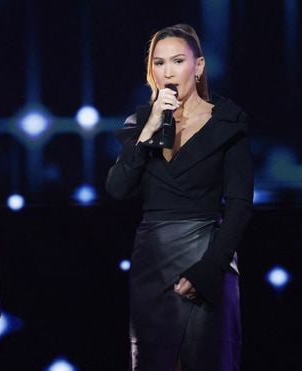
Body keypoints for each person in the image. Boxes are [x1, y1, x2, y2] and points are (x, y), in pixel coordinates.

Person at [106, 24, 253, 371]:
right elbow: (117, 187)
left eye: (177, 60)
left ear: (198, 66)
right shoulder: (142, 122)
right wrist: (152, 125)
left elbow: (240, 205)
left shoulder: (227, 123)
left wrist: (210, 269)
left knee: (208, 359)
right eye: (159, 63)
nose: (167, 72)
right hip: (152, 259)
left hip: (207, 254)